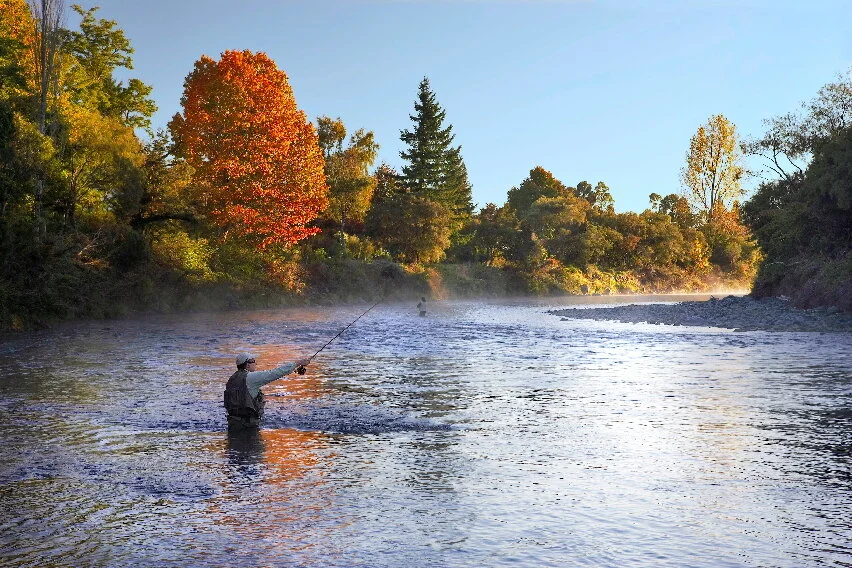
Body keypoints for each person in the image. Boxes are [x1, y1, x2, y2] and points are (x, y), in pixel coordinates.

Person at [224, 353, 310, 430]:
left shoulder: (232, 378)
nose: (256, 363)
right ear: (247, 365)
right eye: (253, 361)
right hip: (248, 426)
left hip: (233, 424)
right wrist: (298, 363)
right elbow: (275, 373)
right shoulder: (250, 378)